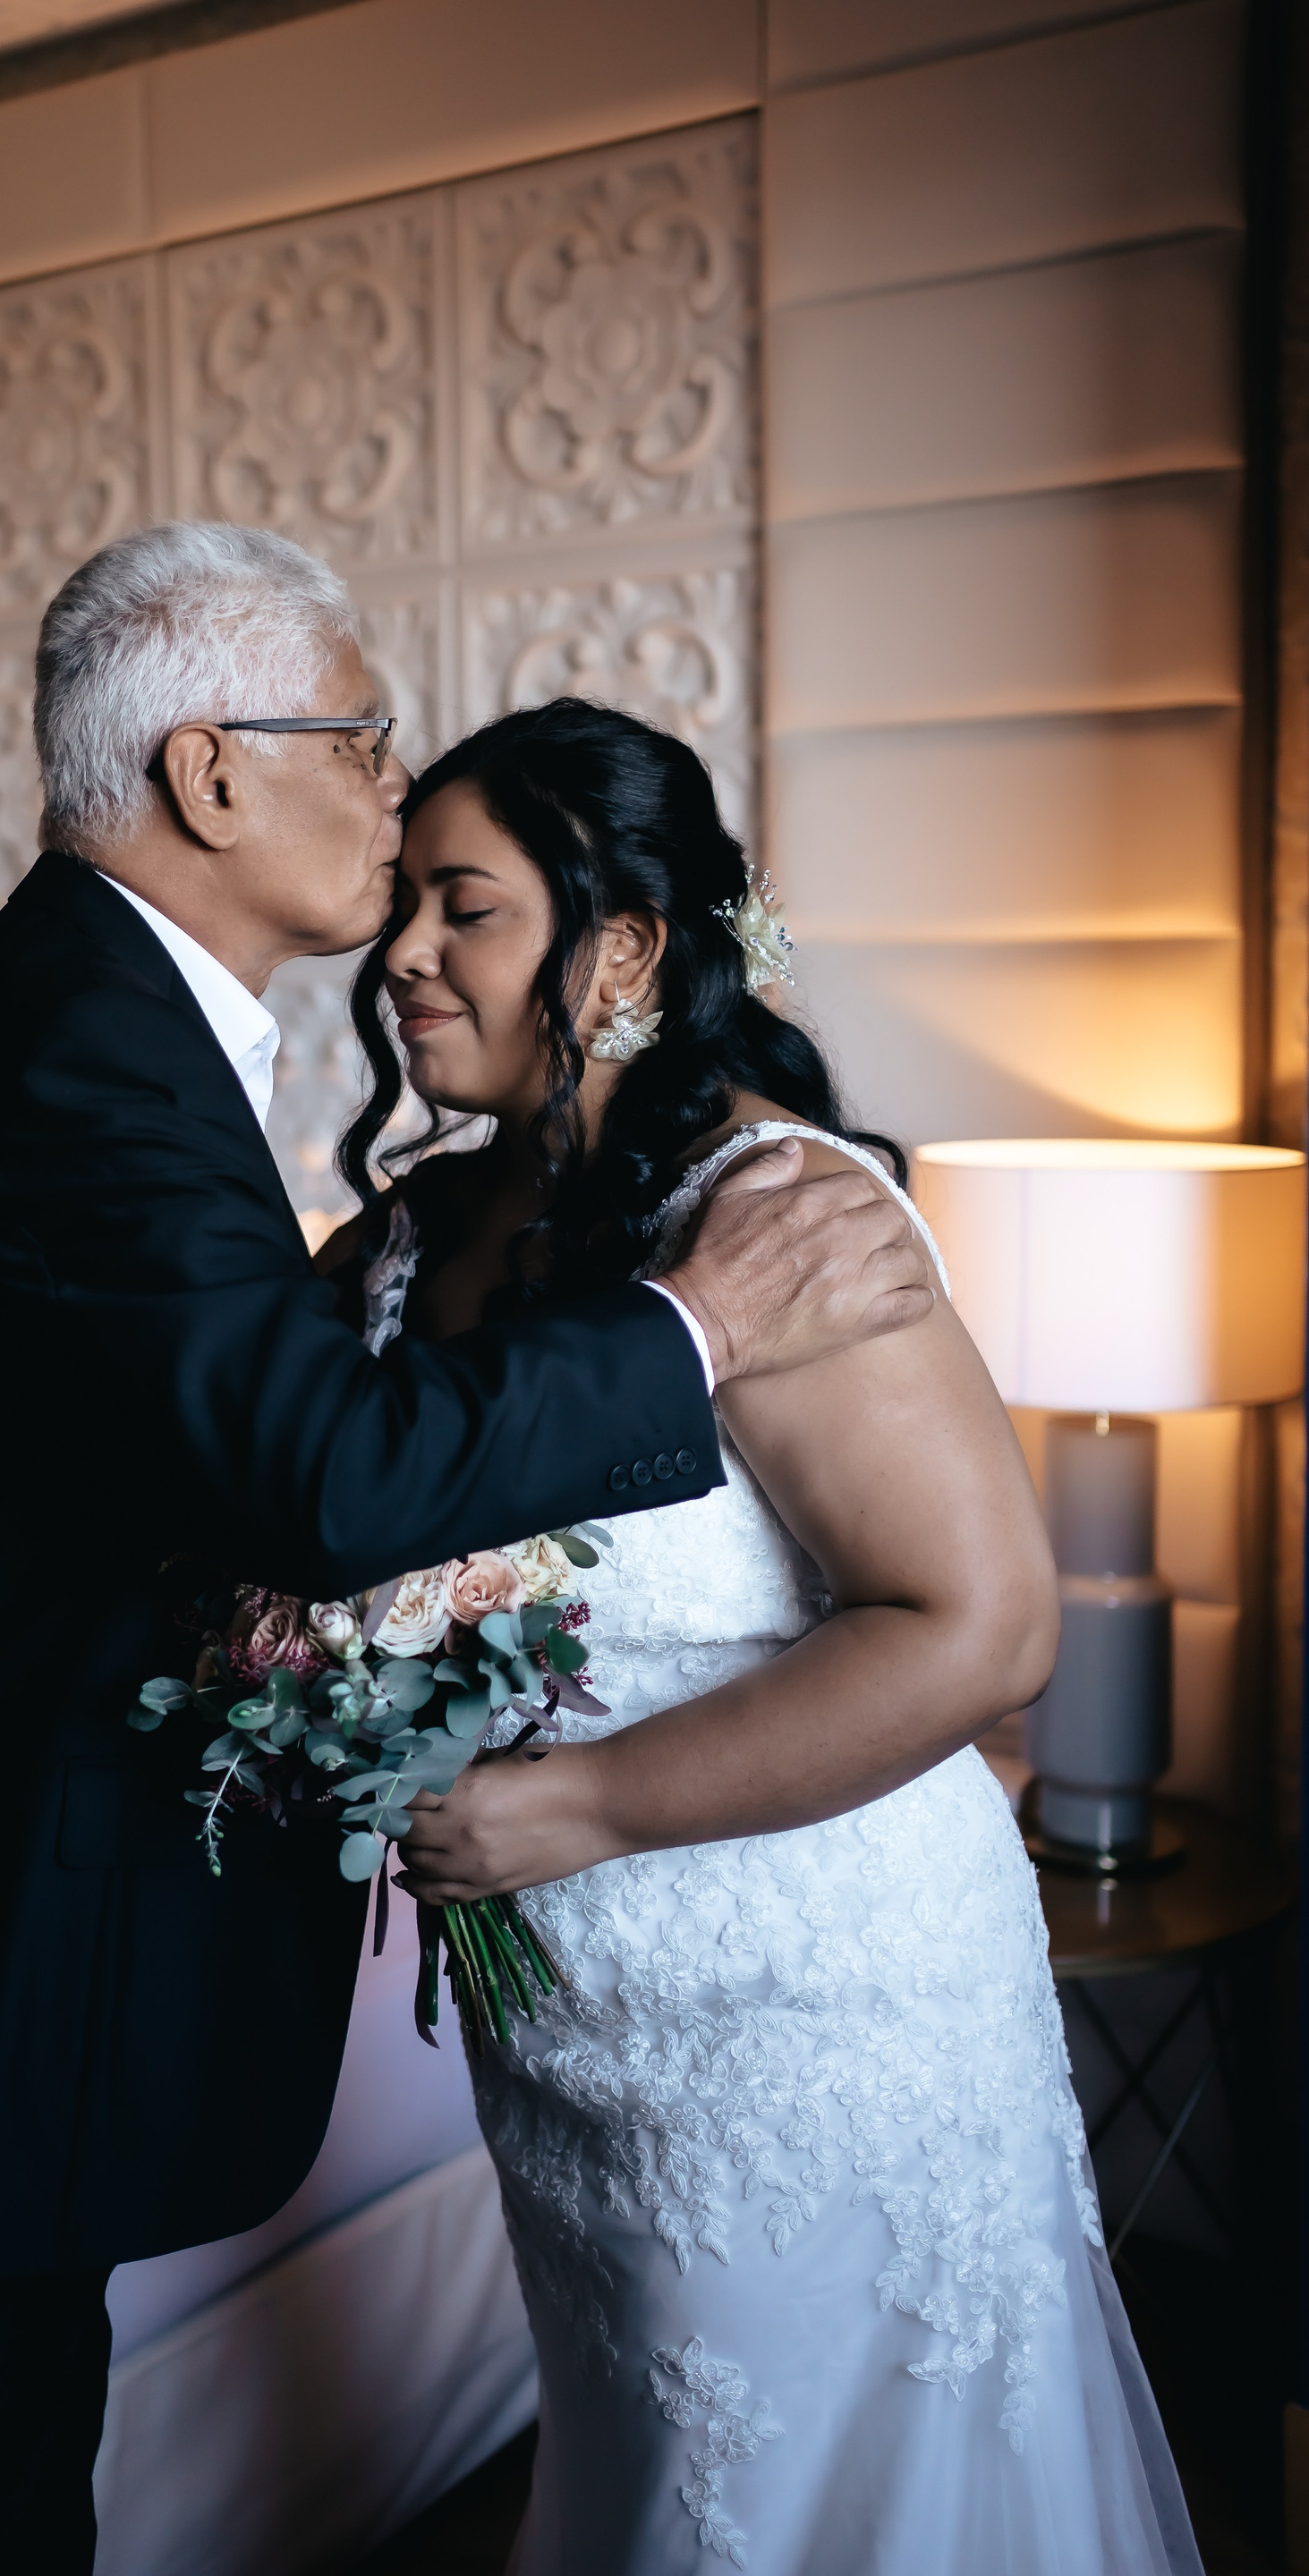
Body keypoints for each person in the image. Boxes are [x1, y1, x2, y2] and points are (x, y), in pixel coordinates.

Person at [0, 526, 937, 2575]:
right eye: (361, 741)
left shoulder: (106, 1017)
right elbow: (324, 1478)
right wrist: (699, 1325)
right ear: (210, 774)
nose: (389, 786)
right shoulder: (87, 1047)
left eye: (469, 886)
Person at [320, 698, 1203, 2574]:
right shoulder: (411, 1238)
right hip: (573, 2032)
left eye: (464, 907)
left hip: (823, 2009)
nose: (401, 952)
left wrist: (580, 1808)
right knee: (648, 2460)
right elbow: (297, 1506)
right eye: (401, 904)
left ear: (624, 947)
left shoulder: (777, 1218)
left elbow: (983, 1627)